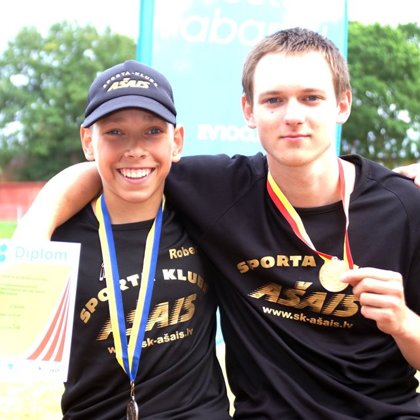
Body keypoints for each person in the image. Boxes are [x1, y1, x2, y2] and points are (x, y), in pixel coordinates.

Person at [15, 28, 420, 418]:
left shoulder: (404, 206)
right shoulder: (220, 190)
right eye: (274, 100)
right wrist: (34, 231)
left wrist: (403, 322)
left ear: (342, 104)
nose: (293, 116)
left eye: (311, 98)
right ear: (249, 110)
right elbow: (117, 167)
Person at [30, 59, 231, 419]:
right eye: (115, 132)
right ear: (88, 141)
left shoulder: (205, 216)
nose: (135, 149)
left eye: (153, 131)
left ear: (177, 141)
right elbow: (25, 338)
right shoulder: (55, 241)